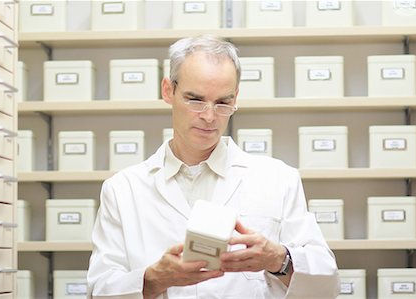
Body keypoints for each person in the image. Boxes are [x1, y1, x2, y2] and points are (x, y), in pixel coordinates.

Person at [87, 35, 340, 299]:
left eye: (222, 103)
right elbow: (99, 289)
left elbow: (327, 285)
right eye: (195, 100)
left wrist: (279, 260)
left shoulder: (279, 179)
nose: (209, 116)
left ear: (236, 98)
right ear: (167, 91)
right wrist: (153, 279)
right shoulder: (122, 189)